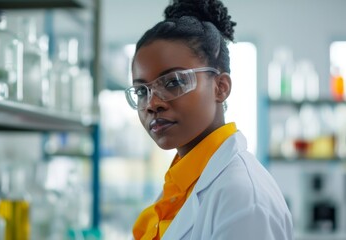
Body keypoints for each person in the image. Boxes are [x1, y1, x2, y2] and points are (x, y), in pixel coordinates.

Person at [124, 0, 294, 239]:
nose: (152, 104)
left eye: (173, 82)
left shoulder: (243, 198)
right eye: (142, 91)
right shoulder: (181, 186)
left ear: (220, 87)